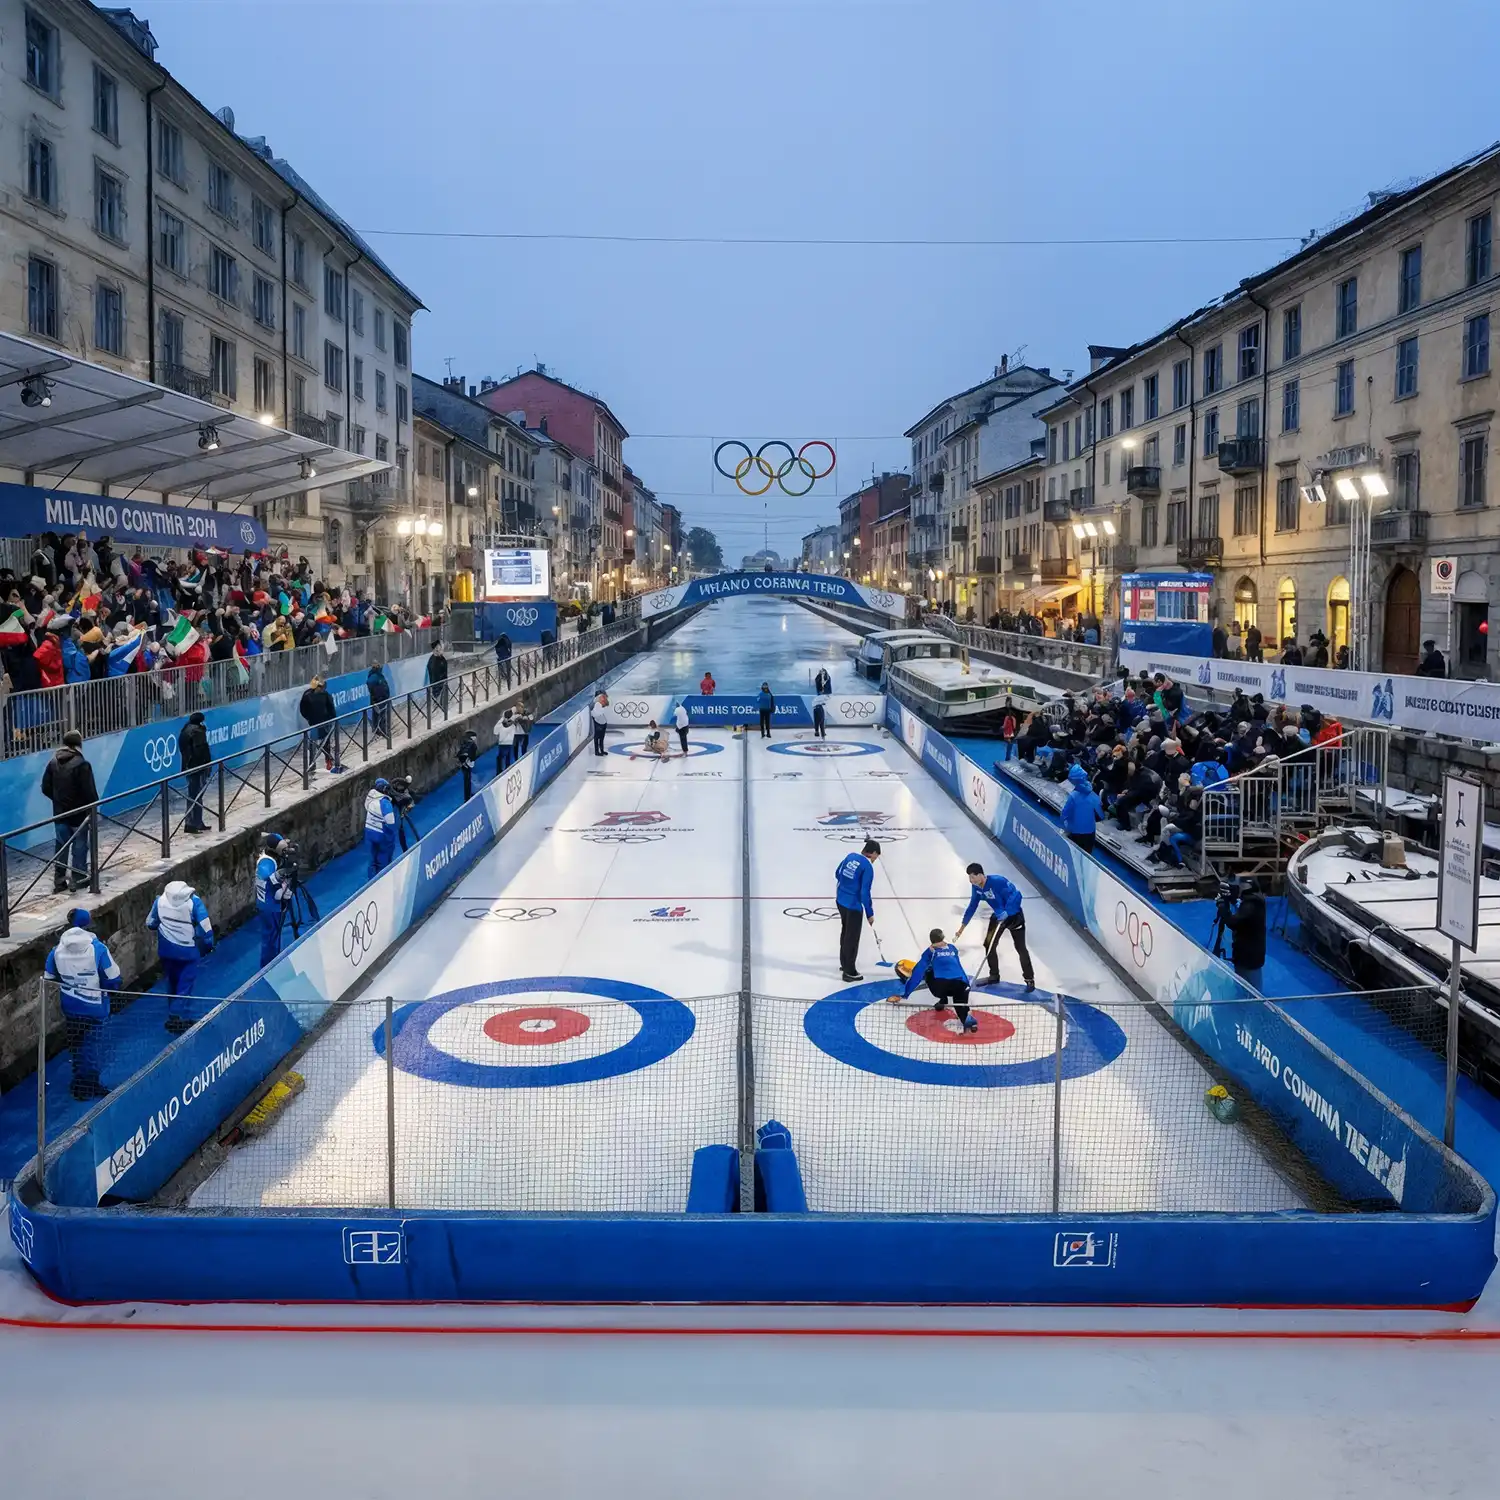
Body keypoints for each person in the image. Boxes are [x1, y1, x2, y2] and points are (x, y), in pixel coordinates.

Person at [44, 909, 121, 1099]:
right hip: (94, 1006)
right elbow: (113, 977)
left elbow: (49, 977)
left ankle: (79, 1081)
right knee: (92, 1046)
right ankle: (88, 1085)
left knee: (77, 1044)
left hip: (70, 1006)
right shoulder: (98, 949)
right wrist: (107, 991)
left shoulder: (56, 950)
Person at [146, 879, 215, 1034]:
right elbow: (206, 930)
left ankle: (174, 1009)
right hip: (187, 953)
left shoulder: (160, 901)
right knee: (185, 984)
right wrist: (207, 946)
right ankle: (176, 1017)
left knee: (172, 980)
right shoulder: (194, 903)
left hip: (166, 951)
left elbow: (150, 923)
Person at [955, 862, 1035, 992]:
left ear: (980, 875)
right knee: (988, 944)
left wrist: (1008, 912)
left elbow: (1016, 895)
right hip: (998, 917)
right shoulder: (976, 887)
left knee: (1020, 948)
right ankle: (994, 975)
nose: (971, 880)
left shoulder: (998, 881)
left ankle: (1029, 979)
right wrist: (962, 927)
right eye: (969, 877)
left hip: (1014, 916)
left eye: (973, 877)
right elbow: (972, 906)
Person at [41, 729, 97, 893]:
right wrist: (92, 810)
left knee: (61, 847)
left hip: (60, 814)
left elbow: (45, 787)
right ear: (79, 744)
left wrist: (59, 800)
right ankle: (78, 880)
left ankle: (59, 882)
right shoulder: (82, 764)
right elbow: (90, 792)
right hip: (79, 815)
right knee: (79, 848)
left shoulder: (53, 763)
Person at [895, 928, 976, 1033]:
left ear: (931, 940)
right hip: (963, 984)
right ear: (943, 937)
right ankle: (969, 1022)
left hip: (942, 987)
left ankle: (943, 999)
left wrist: (906, 994)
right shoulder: (952, 948)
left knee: (928, 971)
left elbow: (917, 973)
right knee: (960, 1006)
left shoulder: (930, 952)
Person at [834, 839, 880, 982]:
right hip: (853, 905)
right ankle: (849, 971)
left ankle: (844, 963)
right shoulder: (867, 867)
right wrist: (870, 913)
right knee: (852, 939)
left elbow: (837, 873)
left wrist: (847, 886)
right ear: (873, 853)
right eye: (876, 856)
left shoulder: (850, 856)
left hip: (840, 900)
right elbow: (865, 892)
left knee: (845, 932)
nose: (875, 859)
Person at [1219, 876, 1267, 989]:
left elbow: (1233, 922)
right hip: (1253, 955)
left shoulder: (1250, 905)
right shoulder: (1256, 900)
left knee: (1248, 989)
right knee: (1253, 985)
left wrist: (1222, 907)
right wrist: (1232, 900)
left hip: (1247, 957)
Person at [255, 833, 291, 967]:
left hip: (266, 903)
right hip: (270, 905)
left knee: (272, 936)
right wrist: (281, 878)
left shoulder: (269, 858)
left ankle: (271, 962)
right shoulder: (267, 862)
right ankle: (268, 966)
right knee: (271, 937)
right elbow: (266, 875)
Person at [299, 675, 344, 772]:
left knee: (325, 743)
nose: (322, 689)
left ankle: (328, 760)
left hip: (325, 722)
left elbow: (331, 708)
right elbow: (303, 710)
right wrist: (309, 718)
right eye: (320, 687)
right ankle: (312, 764)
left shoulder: (325, 695)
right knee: (313, 744)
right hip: (314, 723)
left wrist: (332, 719)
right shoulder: (307, 696)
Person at [180, 710, 212, 834]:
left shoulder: (185, 730)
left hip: (188, 767)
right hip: (197, 768)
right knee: (196, 796)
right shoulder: (198, 732)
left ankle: (196, 822)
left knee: (193, 795)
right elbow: (201, 751)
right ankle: (193, 824)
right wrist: (207, 766)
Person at [1061, 763, 1104, 853]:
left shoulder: (1073, 796)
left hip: (1076, 832)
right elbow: (1100, 815)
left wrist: (1067, 827)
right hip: (1090, 832)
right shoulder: (1093, 794)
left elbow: (1064, 815)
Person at [364, 777, 398, 876]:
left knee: (371, 860)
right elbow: (390, 822)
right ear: (385, 789)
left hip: (369, 831)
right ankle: (383, 879)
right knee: (383, 859)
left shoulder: (370, 798)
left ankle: (372, 880)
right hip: (382, 834)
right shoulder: (385, 802)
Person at [366, 663, 392, 737]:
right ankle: (380, 731)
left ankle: (381, 731)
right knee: (379, 716)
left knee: (381, 716)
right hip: (378, 700)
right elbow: (369, 683)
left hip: (382, 699)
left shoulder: (378, 675)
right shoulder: (374, 676)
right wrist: (377, 694)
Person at [426, 642, 450, 712]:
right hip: (437, 684)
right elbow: (432, 673)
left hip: (443, 683)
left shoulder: (441, 658)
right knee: (437, 702)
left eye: (440, 648)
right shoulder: (432, 660)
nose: (440, 649)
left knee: (443, 702)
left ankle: (443, 710)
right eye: (439, 648)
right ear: (435, 649)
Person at [457, 728, 479, 801]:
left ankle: (467, 795)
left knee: (467, 780)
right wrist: (470, 762)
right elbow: (471, 755)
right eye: (474, 737)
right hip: (467, 763)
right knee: (467, 780)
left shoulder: (464, 743)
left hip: (464, 763)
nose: (476, 738)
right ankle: (467, 797)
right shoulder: (472, 744)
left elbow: (460, 753)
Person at [590, 692, 609, 756]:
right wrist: (593, 713)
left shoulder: (601, 705)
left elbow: (598, 713)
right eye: (601, 698)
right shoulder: (597, 704)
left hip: (603, 722)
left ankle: (602, 750)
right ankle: (597, 751)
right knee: (597, 737)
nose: (601, 698)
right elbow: (595, 714)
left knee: (601, 738)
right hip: (598, 723)